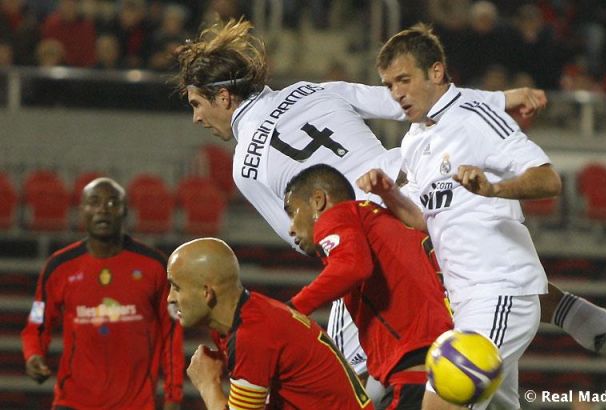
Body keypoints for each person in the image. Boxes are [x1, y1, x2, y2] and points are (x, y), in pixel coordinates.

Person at [172, 18, 550, 388]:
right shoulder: (312, 90)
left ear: (224, 97)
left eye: (196, 104)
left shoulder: (245, 166)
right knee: (479, 359)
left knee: (351, 379)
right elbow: (414, 99)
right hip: (426, 200)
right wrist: (502, 99)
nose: (196, 118)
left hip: (372, 236)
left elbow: (306, 238)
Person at [355, 23, 571, 409]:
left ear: (436, 72)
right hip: (463, 300)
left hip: (500, 290)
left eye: (404, 80)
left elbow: (548, 179)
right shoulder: (415, 139)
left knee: (439, 404)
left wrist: (494, 189)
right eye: (389, 85)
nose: (396, 93)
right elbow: (423, 219)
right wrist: (388, 192)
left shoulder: (476, 117)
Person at [284, 164, 453, 409]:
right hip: (442, 360)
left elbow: (352, 266)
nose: (290, 228)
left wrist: (291, 310)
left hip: (414, 368)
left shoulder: (338, 216)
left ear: (318, 200)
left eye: (292, 213)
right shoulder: (380, 221)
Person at [21, 177, 184, 410]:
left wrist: (173, 396)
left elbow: (172, 334)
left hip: (134, 404)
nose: (103, 210)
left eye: (112, 203)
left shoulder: (155, 266)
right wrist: (33, 355)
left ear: (125, 210)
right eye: (94, 202)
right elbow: (36, 323)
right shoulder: (58, 267)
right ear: (81, 210)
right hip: (72, 402)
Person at [166, 237, 374, 410]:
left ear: (206, 292)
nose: (170, 298)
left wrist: (207, 384)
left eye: (176, 287)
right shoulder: (249, 317)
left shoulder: (251, 335)